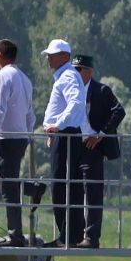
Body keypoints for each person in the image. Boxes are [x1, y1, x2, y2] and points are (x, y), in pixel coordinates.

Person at [38, 39, 89, 249]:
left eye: (53, 54)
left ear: (65, 56)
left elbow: (75, 104)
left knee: (62, 184)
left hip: (66, 134)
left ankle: (67, 235)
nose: (49, 58)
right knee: (69, 184)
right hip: (65, 133)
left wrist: (57, 126)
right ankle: (72, 233)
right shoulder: (66, 75)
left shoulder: (67, 75)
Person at [0, 39, 35, 247]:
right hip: (21, 137)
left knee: (8, 188)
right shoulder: (25, 79)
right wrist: (28, 136)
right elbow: (30, 114)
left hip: (5, 138)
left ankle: (15, 235)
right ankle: (31, 190)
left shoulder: (2, 77)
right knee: (10, 183)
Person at [77, 52, 126, 248]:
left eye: (78, 70)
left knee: (94, 192)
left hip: (93, 148)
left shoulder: (101, 90)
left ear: (89, 71)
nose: (75, 73)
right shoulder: (70, 90)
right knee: (73, 190)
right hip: (74, 146)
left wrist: (101, 134)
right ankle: (73, 234)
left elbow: (119, 111)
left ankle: (91, 237)